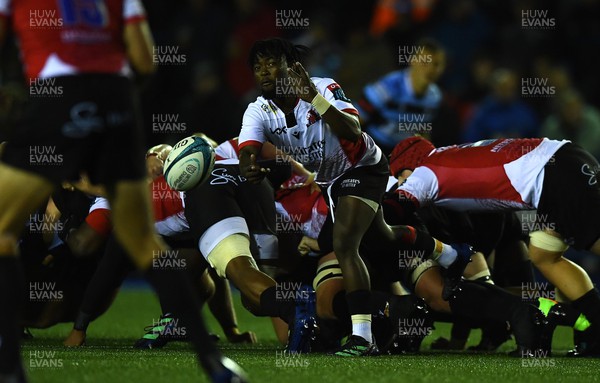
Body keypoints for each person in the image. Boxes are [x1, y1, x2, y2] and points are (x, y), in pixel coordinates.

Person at [0, 1, 246, 382]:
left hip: (58, 97)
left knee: (3, 231)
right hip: (117, 102)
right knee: (145, 241)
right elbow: (145, 61)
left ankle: (12, 369)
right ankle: (215, 364)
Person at [238, 37, 471, 356]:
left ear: (291, 67)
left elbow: (352, 128)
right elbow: (247, 151)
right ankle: (449, 253)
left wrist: (314, 98)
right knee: (383, 236)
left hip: (364, 166)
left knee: (346, 243)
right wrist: (250, 167)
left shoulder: (323, 87)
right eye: (257, 66)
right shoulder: (258, 110)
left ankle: (363, 338)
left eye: (271, 63)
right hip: (331, 181)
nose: (263, 72)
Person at [389, 135, 600, 355]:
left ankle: (583, 323)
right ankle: (593, 324)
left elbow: (393, 210)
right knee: (545, 255)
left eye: (400, 176)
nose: (400, 183)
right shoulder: (450, 154)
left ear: (409, 165)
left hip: (556, 177)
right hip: (567, 158)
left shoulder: (424, 173)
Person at [357, 38, 446, 153]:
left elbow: (422, 130)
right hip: (373, 146)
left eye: (436, 64)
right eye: (425, 62)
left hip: (402, 152)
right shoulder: (388, 86)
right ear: (412, 61)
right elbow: (357, 120)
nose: (430, 70)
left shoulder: (435, 98)